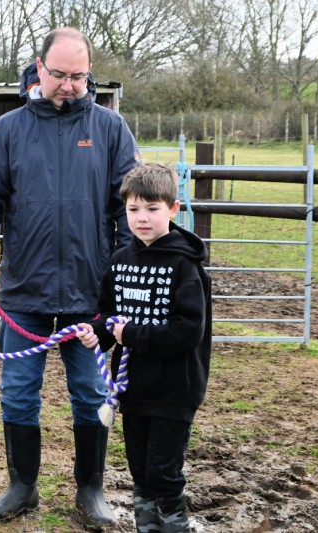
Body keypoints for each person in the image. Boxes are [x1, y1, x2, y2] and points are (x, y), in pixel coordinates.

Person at [0, 27, 141, 527]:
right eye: (59, 75)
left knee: (91, 393)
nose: (69, 85)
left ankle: (91, 491)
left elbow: (129, 208)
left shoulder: (110, 129)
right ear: (39, 68)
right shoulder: (9, 128)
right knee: (17, 391)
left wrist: (125, 276)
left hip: (90, 294)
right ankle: (22, 487)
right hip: (24, 291)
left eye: (79, 76)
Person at [75, 162, 212, 533]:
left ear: (173, 208)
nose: (142, 218)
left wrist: (129, 334)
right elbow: (109, 315)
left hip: (175, 388)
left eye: (152, 209)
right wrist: (97, 333)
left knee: (164, 471)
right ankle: (147, 527)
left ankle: (175, 526)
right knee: (139, 468)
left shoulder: (187, 267)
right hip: (132, 387)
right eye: (134, 209)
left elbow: (188, 329)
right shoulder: (120, 262)